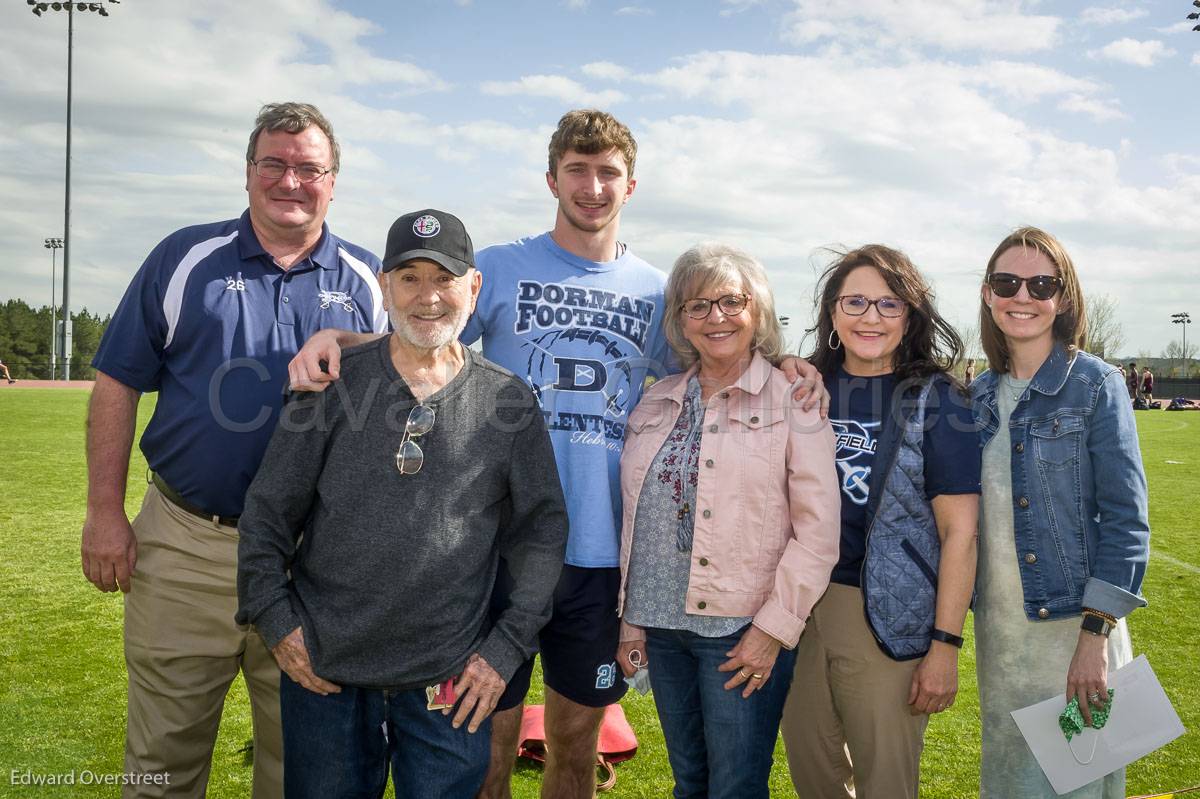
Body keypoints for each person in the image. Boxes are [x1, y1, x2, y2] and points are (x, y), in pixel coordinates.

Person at [286, 109, 827, 798]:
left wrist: (789, 364)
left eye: (608, 173)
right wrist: (337, 335)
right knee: (485, 747)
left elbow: (720, 353)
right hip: (493, 546)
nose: (592, 186)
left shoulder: (659, 292)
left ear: (631, 186)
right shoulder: (502, 268)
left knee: (573, 749)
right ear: (552, 179)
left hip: (599, 555)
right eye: (578, 170)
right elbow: (424, 327)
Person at [83, 102, 387, 797]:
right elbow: (116, 383)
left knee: (303, 768)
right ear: (248, 172)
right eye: (274, 163)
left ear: (333, 181)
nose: (290, 180)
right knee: (162, 763)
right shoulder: (185, 257)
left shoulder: (370, 279)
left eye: (308, 167)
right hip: (191, 542)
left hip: (317, 559)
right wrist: (104, 511)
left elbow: (425, 367)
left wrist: (349, 340)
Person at [236, 209, 568, 797]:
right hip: (326, 674)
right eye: (409, 277)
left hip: (449, 683)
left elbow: (540, 534)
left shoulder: (507, 399)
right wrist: (277, 622)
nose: (428, 297)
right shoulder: (331, 381)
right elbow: (267, 514)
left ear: (474, 287)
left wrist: (504, 650)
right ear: (384, 286)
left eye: (444, 278)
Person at [615, 243, 840, 798]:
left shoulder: (794, 400)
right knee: (689, 783)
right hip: (662, 627)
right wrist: (630, 619)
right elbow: (638, 521)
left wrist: (773, 630)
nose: (715, 317)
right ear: (681, 321)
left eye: (730, 301)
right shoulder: (656, 401)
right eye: (697, 305)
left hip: (740, 633)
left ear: (757, 310)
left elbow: (818, 533)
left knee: (735, 788)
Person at [781, 245, 981, 799]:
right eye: (856, 302)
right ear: (832, 311)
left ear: (911, 315)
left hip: (885, 612)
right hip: (793, 606)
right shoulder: (800, 382)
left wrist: (944, 646)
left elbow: (960, 533)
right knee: (812, 770)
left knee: (885, 781)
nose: (870, 317)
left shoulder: (937, 399)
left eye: (889, 304)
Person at [971, 227, 1149, 798]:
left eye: (1041, 284)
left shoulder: (1096, 384)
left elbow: (1127, 521)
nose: (1023, 296)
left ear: (1064, 298)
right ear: (988, 294)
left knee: (1077, 784)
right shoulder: (975, 395)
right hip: (1002, 639)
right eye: (1007, 282)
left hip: (1076, 636)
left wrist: (1094, 639)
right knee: (1011, 783)